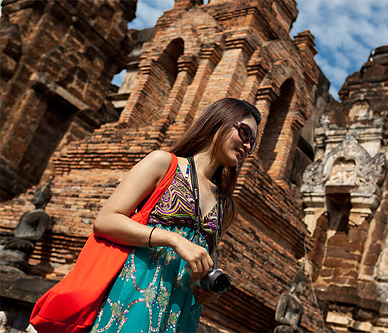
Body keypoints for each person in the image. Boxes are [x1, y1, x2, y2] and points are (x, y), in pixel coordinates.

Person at [90, 98, 261, 332]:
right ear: (219, 122)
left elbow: (204, 261)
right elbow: (106, 220)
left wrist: (206, 291)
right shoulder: (164, 163)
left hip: (180, 311)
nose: (248, 146)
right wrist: (174, 239)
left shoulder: (226, 204)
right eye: (244, 133)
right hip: (135, 295)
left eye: (253, 142)